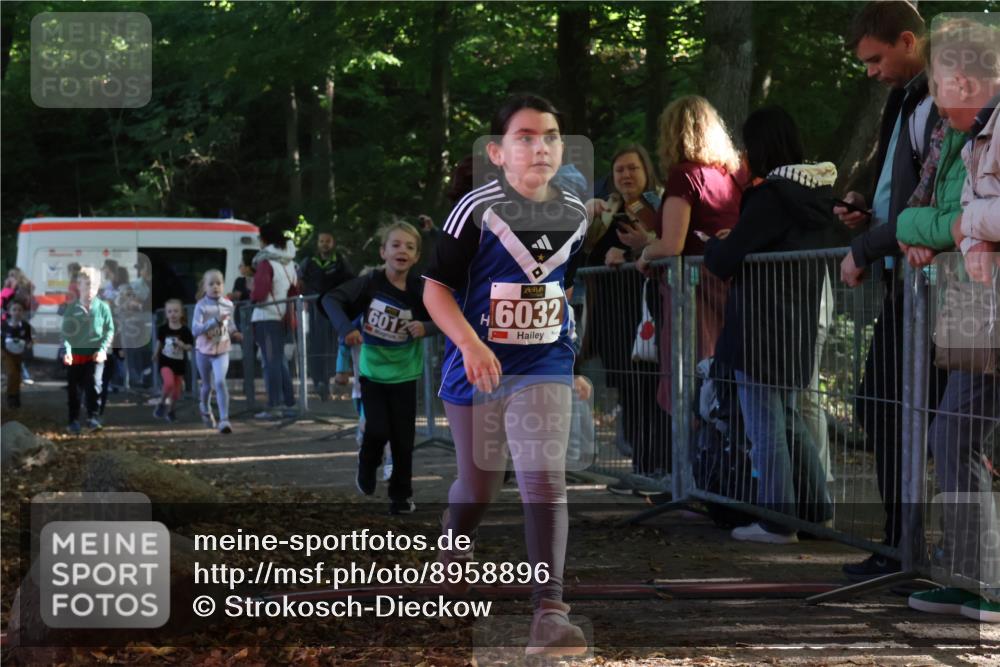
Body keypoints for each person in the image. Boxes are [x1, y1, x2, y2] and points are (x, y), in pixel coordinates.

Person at [422, 94, 590, 657]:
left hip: (543, 361)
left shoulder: (576, 211)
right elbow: (435, 289)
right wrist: (469, 343)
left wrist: (574, 359)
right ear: (498, 152)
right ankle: (453, 536)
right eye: (524, 137)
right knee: (480, 486)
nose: (539, 146)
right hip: (477, 365)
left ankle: (550, 613)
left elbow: (561, 288)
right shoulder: (475, 210)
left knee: (544, 478)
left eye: (549, 136)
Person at [835, 0, 948, 581]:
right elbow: (895, 173)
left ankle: (920, 547)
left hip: (936, 280)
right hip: (906, 273)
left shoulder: (947, 98)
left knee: (934, 419)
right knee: (891, 408)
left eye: (876, 59)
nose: (871, 72)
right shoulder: (904, 97)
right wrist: (863, 205)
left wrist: (869, 245)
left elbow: (931, 194)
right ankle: (906, 542)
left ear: (909, 40)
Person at [704, 106, 845, 544]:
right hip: (797, 326)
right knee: (788, 419)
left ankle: (777, 521)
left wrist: (715, 246)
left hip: (759, 329)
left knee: (768, 424)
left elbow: (728, 259)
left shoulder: (770, 197)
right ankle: (817, 511)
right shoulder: (819, 198)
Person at [904, 17, 1000, 624]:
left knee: (957, 434)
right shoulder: (974, 142)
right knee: (954, 434)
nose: (936, 106)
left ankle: (983, 580)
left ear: (962, 81)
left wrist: (966, 229)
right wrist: (964, 231)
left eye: (937, 88)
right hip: (981, 311)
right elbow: (958, 214)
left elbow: (968, 218)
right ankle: (975, 577)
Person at [634, 95, 747, 415]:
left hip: (694, 294)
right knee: (724, 378)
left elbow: (672, 244)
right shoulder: (731, 176)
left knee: (692, 381)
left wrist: (644, 255)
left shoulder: (684, 176)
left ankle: (693, 462)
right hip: (731, 286)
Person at [322, 222, 436, 514]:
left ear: (416, 256)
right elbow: (331, 299)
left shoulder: (419, 289)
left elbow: (448, 317)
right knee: (376, 429)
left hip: (406, 374)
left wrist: (426, 326)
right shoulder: (370, 283)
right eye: (396, 245)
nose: (402, 251)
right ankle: (367, 462)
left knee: (403, 440)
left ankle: (401, 496)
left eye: (409, 247)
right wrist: (346, 328)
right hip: (372, 372)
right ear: (383, 251)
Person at [580, 144, 668, 491]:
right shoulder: (605, 210)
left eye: (633, 168)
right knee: (629, 393)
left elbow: (669, 246)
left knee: (652, 392)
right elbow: (583, 248)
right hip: (614, 316)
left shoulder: (659, 207)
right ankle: (640, 468)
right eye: (620, 170)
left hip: (649, 313)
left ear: (646, 171)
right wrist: (587, 216)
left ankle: (656, 468)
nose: (626, 175)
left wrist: (634, 249)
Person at [250, 224, 299, 420]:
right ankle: (289, 403)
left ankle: (274, 405)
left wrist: (250, 294)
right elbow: (294, 291)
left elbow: (260, 293)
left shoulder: (265, 263)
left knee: (271, 363)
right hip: (282, 317)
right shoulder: (290, 264)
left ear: (264, 241)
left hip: (265, 316)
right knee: (279, 362)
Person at [299, 231, 355, 401]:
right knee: (317, 345)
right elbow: (300, 281)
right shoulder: (309, 262)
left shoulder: (340, 261)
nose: (324, 244)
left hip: (334, 311)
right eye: (321, 241)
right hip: (316, 312)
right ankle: (319, 382)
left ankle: (332, 381)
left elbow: (351, 281)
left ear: (333, 243)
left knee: (333, 345)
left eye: (327, 241)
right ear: (317, 243)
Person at [62, 266, 114, 434]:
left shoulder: (103, 308)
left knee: (94, 384)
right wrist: (68, 352)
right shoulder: (72, 308)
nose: (89, 288)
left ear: (98, 286)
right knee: (74, 390)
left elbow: (109, 330)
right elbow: (66, 334)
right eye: (86, 284)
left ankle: (93, 417)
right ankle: (73, 420)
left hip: (95, 354)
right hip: (76, 355)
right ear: (79, 285)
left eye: (92, 285)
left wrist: (103, 348)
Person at [192, 269, 242, 434]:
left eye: (219, 283)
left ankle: (224, 420)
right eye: (211, 284)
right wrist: (214, 321)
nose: (215, 287)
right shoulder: (201, 306)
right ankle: (205, 408)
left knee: (220, 382)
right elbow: (195, 329)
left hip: (222, 350)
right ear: (205, 287)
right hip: (203, 351)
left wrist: (235, 332)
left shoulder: (228, 304)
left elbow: (231, 324)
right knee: (207, 386)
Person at [153, 299, 194, 423]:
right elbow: (159, 342)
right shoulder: (163, 329)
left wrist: (182, 345)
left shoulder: (185, 330)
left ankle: (170, 410)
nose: (173, 314)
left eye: (176, 311)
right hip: (166, 362)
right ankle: (161, 403)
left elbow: (190, 347)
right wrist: (155, 354)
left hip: (179, 364)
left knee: (176, 394)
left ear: (181, 313)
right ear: (166, 314)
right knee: (169, 383)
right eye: (170, 311)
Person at [2, 300, 32, 408]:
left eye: (20, 310)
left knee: (17, 375)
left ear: (23, 312)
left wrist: (29, 344)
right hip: (5, 352)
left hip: (18, 353)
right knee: (11, 373)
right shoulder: (4, 325)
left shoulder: (25, 326)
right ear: (10, 312)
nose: (17, 312)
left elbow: (29, 339)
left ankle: (16, 395)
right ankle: (11, 396)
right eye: (14, 309)